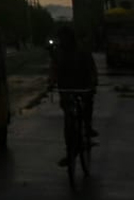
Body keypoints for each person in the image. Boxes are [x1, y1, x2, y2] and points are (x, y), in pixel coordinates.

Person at [49, 25, 98, 166]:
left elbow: (91, 69)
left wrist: (93, 83)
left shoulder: (82, 51)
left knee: (87, 106)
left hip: (82, 87)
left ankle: (87, 128)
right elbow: (54, 69)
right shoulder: (59, 53)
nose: (62, 41)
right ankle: (70, 150)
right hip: (66, 90)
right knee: (68, 121)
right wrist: (51, 82)